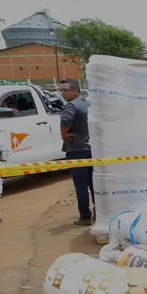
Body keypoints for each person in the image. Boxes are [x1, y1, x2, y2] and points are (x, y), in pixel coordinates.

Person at [58, 79, 95, 226]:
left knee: (81, 186)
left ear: (75, 91)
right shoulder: (87, 104)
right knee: (93, 184)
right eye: (61, 90)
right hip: (91, 149)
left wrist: (65, 137)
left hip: (76, 151)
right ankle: (99, 212)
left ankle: (85, 216)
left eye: (65, 90)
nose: (62, 93)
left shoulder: (71, 106)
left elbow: (65, 121)